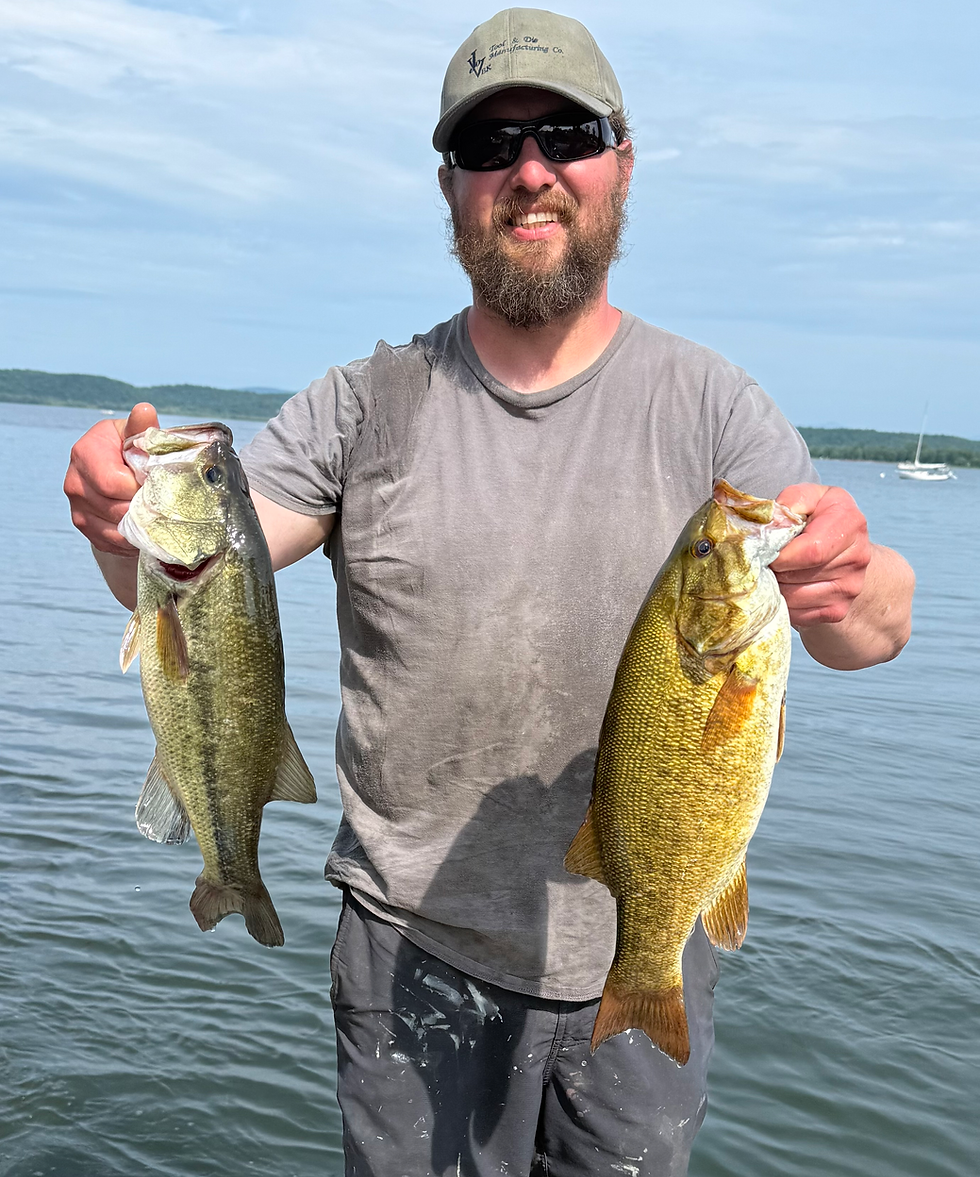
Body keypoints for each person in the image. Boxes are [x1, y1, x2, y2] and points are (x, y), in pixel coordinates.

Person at [64, 8, 914, 1175]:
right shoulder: (365, 401)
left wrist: (850, 575)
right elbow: (210, 571)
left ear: (620, 161)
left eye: (563, 135)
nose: (528, 173)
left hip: (640, 929)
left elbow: (869, 630)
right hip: (407, 945)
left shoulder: (714, 408)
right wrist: (121, 522)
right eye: (485, 148)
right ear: (450, 189)